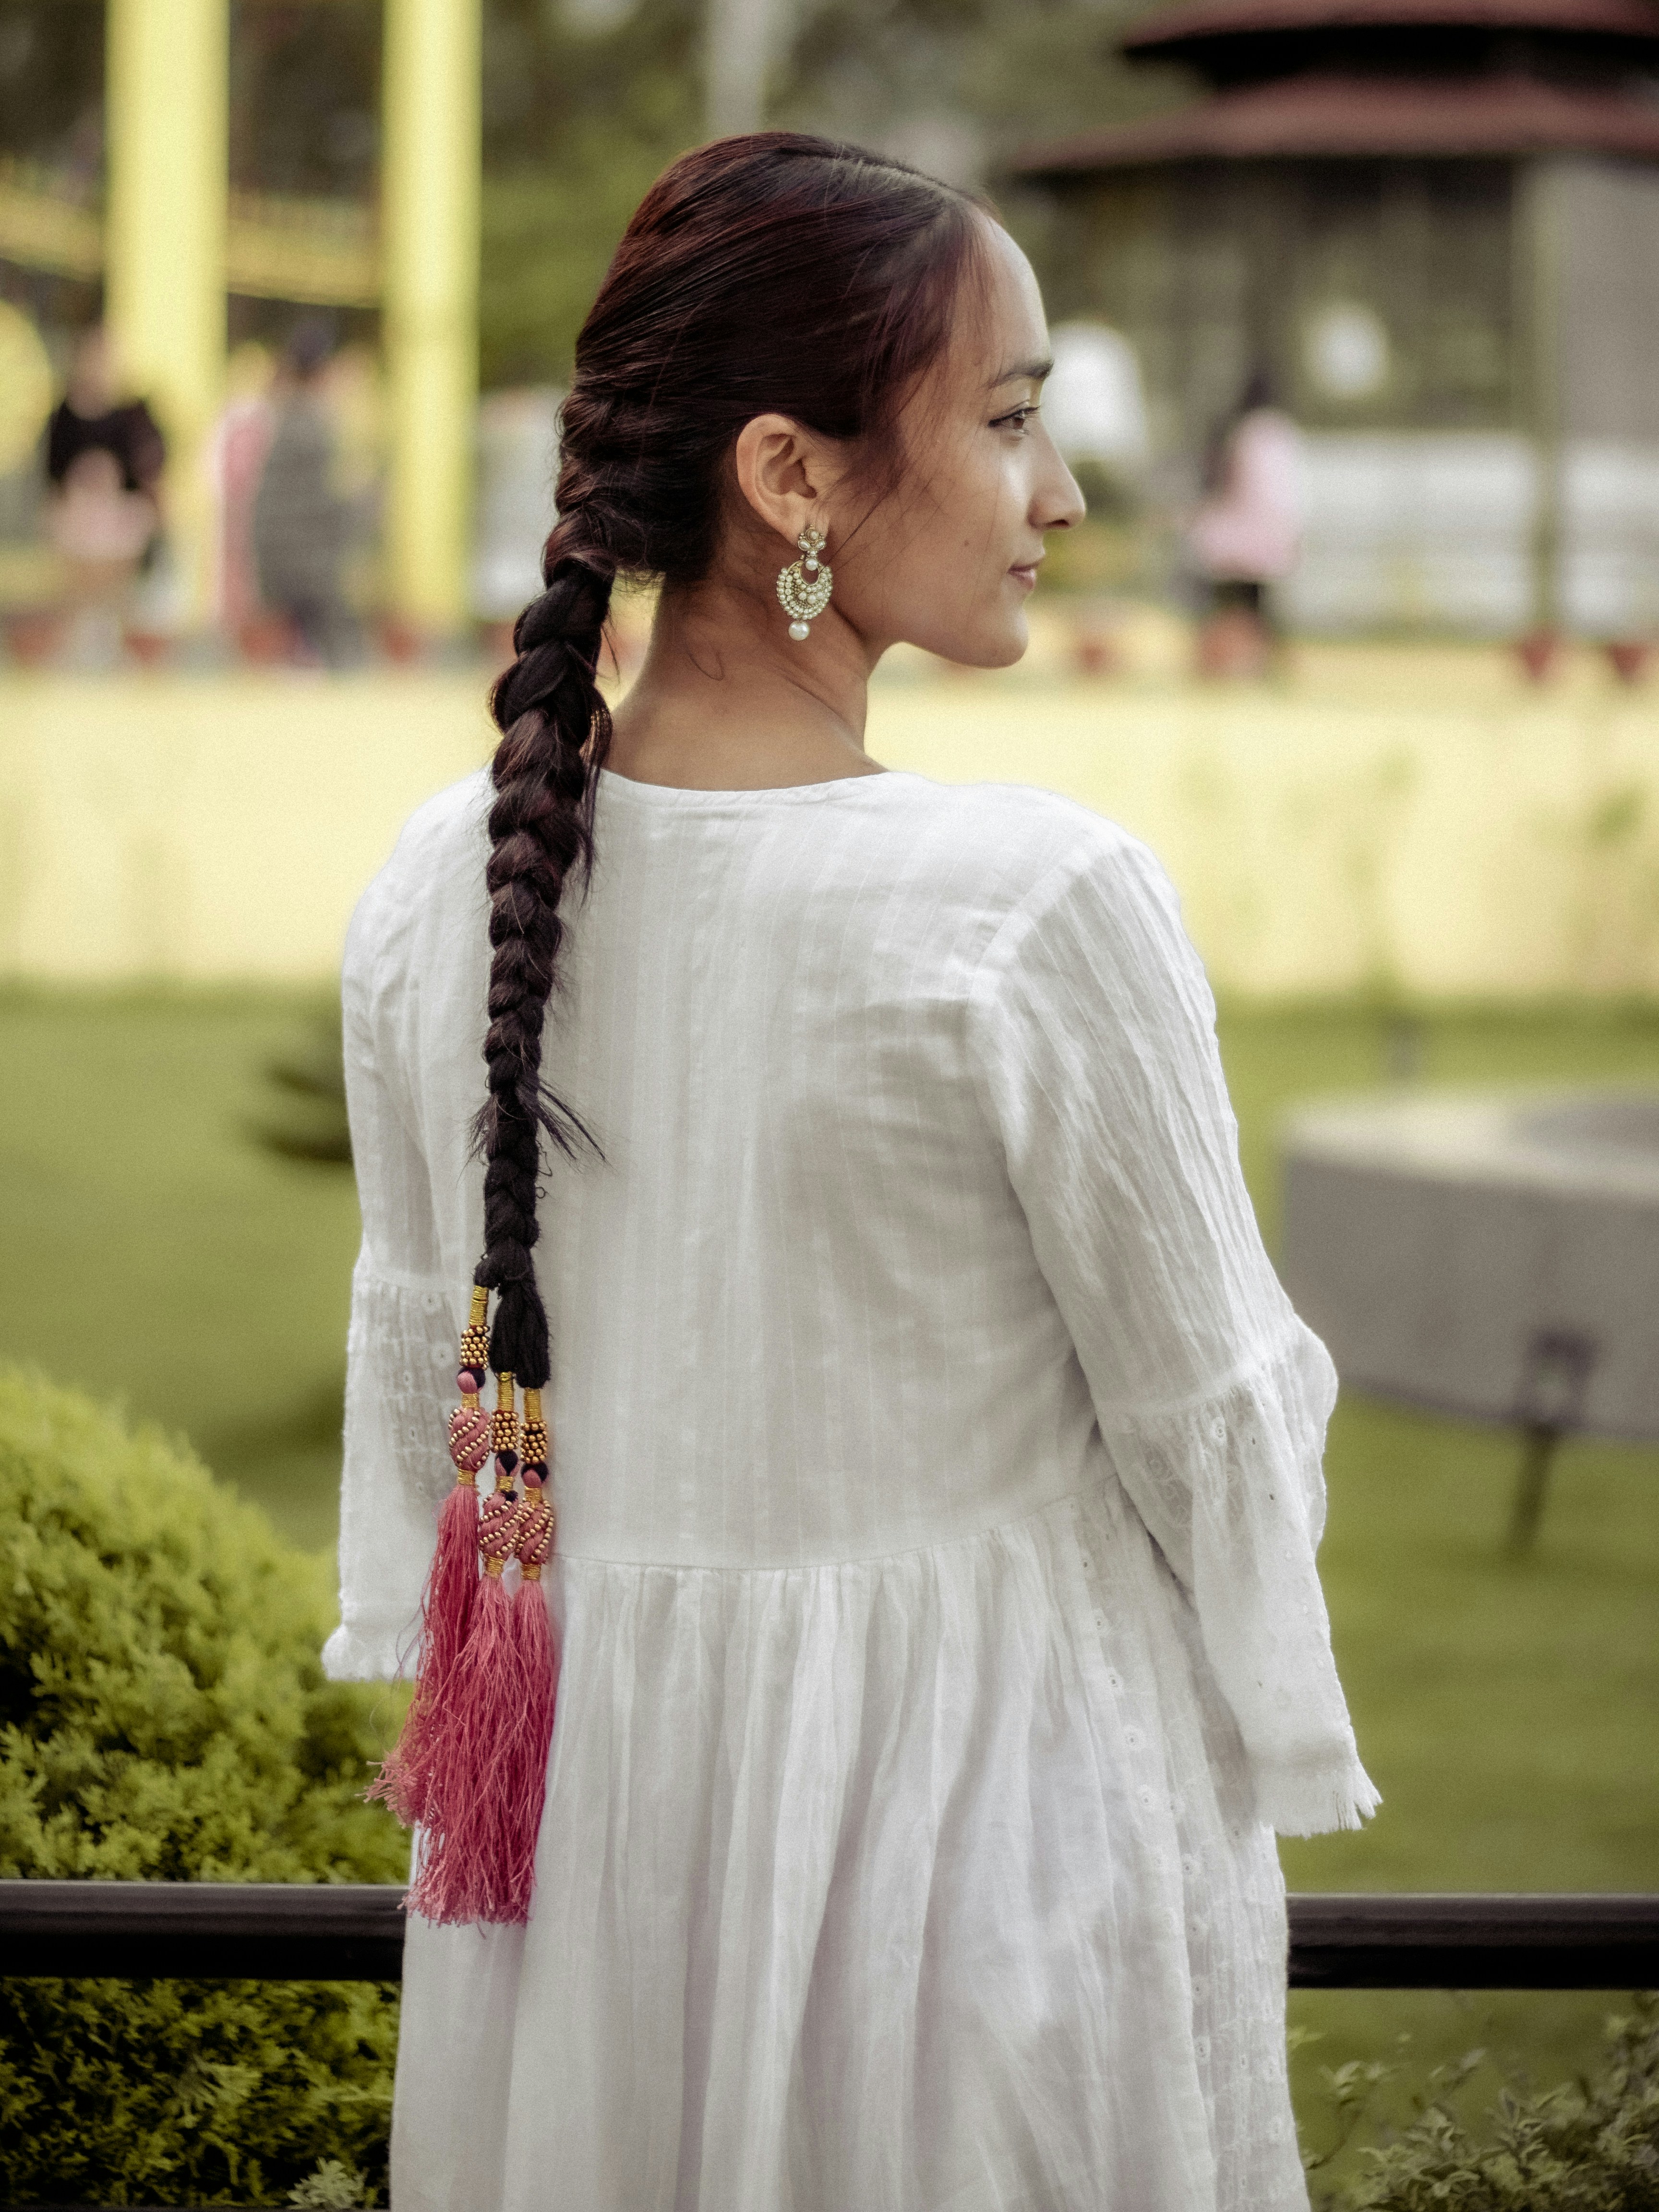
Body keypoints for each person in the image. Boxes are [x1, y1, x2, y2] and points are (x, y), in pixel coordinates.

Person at [326, 135, 1375, 2212]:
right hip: (982, 1882)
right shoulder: (1029, 902)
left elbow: (448, 1424)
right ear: (790, 476)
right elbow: (1216, 1430)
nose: (1058, 493)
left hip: (585, 1895)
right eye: (1004, 419)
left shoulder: (434, 890)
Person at [44, 325, 166, 665]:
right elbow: (52, 468)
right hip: (78, 518)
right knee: (80, 597)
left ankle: (116, 653)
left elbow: (150, 465)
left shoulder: (133, 414)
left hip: (120, 519)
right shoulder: (64, 414)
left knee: (118, 597)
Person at [250, 316, 366, 666]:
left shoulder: (283, 415)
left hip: (283, 554)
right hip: (307, 563)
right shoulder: (311, 425)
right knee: (338, 652)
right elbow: (320, 504)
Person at [1189, 370, 1305, 678]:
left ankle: (1217, 663)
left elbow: (1221, 482)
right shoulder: (1278, 433)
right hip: (1265, 534)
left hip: (1232, 533)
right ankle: (1264, 665)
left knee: (1224, 605)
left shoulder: (1238, 430)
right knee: (1259, 606)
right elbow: (1286, 492)